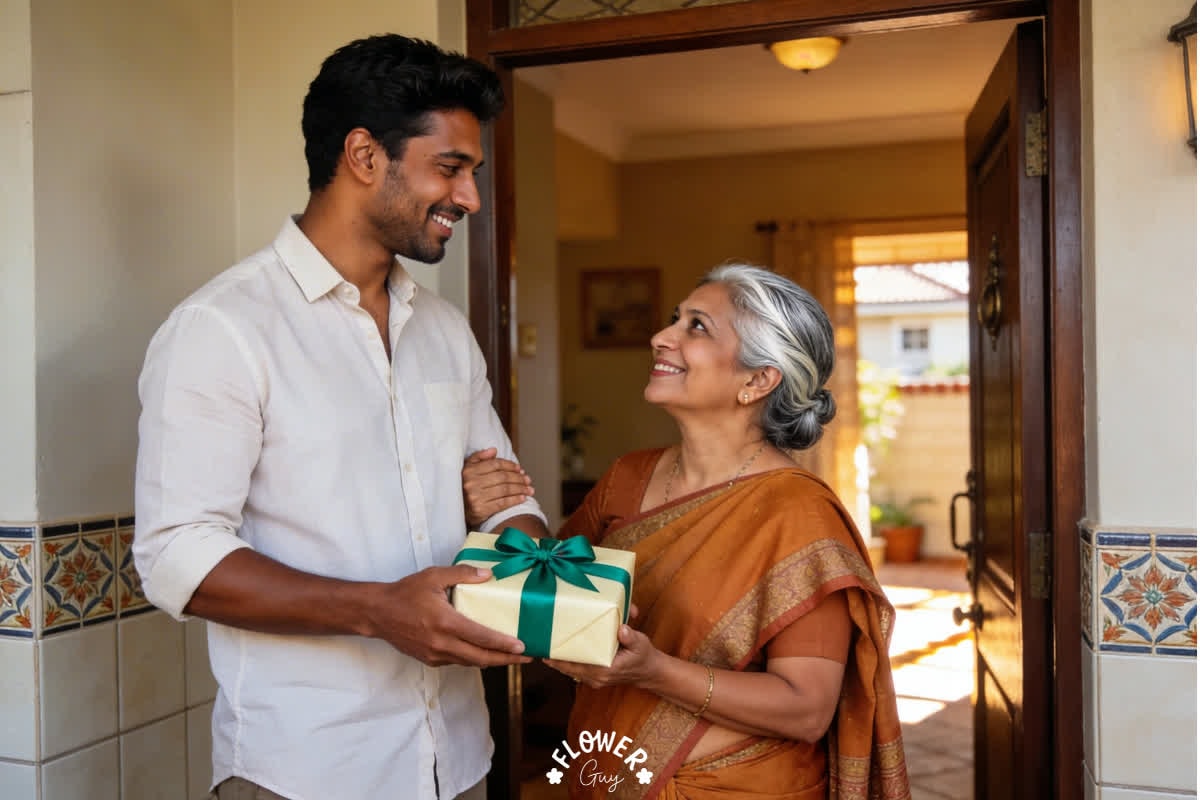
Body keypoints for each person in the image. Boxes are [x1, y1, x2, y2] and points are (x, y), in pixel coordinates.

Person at [133, 35, 549, 800]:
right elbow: (174, 558)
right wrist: (376, 611)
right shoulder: (222, 329)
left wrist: (541, 573)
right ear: (364, 155)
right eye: (450, 169)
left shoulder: (445, 331)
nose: (470, 200)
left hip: (458, 761)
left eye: (472, 174)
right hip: (305, 772)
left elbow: (506, 496)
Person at [463, 264, 911, 800]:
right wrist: (490, 504)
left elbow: (807, 708)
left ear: (758, 380)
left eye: (697, 327)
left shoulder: (799, 512)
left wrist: (652, 671)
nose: (662, 337)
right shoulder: (628, 477)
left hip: (740, 787)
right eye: (676, 319)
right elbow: (549, 590)